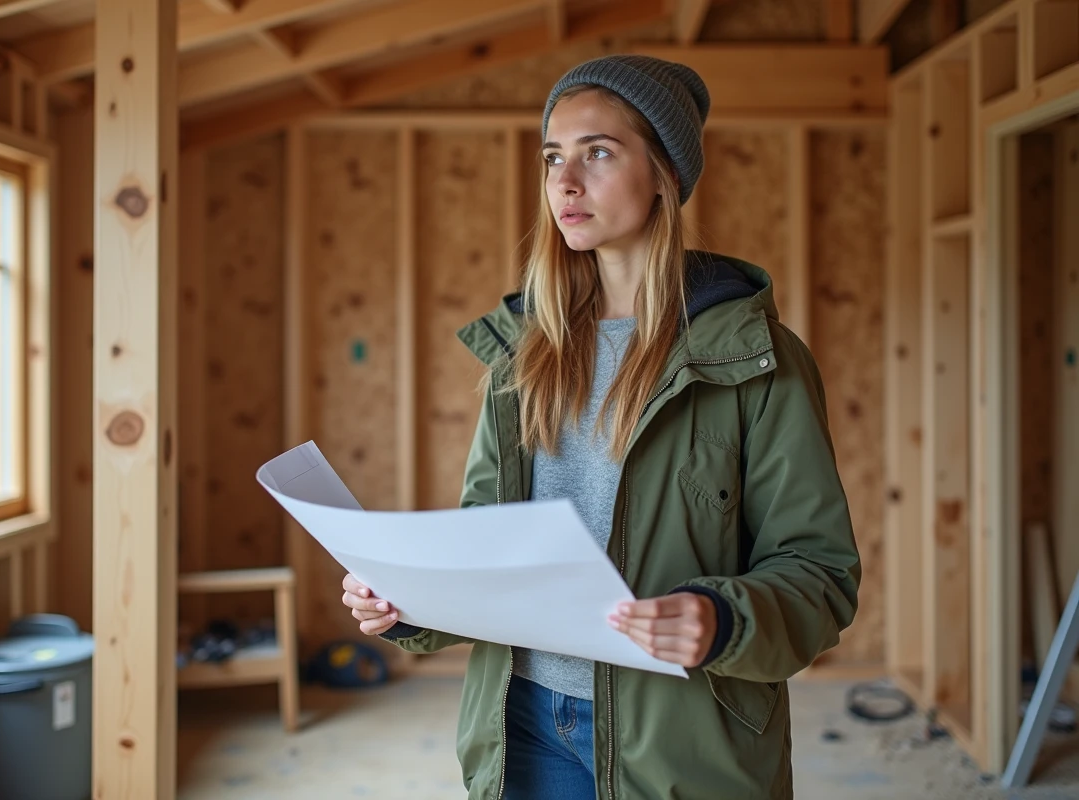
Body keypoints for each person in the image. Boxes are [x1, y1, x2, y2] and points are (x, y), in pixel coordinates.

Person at [340, 54, 861, 800]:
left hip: (685, 741)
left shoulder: (756, 361)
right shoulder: (523, 355)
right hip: (522, 724)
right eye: (554, 156)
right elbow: (488, 541)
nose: (564, 181)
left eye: (599, 153)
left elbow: (820, 575)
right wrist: (405, 605)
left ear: (665, 177)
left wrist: (722, 619)